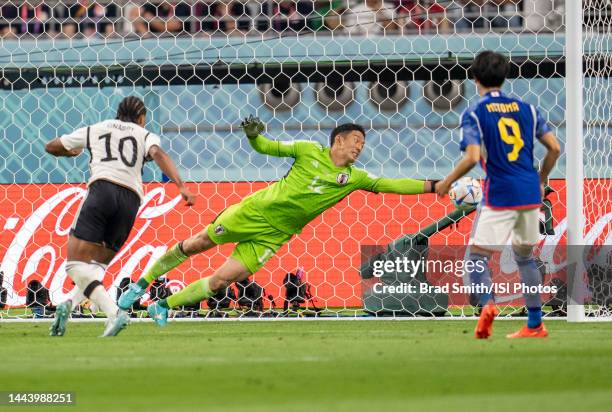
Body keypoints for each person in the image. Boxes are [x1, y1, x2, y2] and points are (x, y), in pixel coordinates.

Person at [119, 117, 439, 324]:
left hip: (275, 235)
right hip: (253, 213)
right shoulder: (307, 150)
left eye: (363, 143)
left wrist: (435, 186)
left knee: (222, 280)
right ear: (337, 140)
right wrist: (252, 135)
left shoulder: (354, 177)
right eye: (356, 139)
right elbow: (266, 147)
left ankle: (161, 307)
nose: (360, 146)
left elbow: (392, 184)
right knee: (196, 244)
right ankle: (140, 286)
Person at [45, 96, 196, 337]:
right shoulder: (146, 135)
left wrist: (70, 152)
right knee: (96, 268)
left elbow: (51, 146)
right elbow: (158, 153)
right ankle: (69, 306)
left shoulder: (98, 128)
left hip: (102, 191)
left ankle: (114, 314)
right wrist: (181, 186)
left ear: (118, 114)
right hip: (131, 201)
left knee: (75, 265)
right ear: (142, 118)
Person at [435, 51, 561, 339]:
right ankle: (535, 324)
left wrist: (447, 181)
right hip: (530, 192)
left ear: (475, 78)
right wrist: (541, 179)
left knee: (477, 258)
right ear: (505, 76)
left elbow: (472, 157)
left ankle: (488, 305)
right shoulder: (527, 109)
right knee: (525, 258)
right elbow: (554, 148)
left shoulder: (475, 112)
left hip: (500, 192)